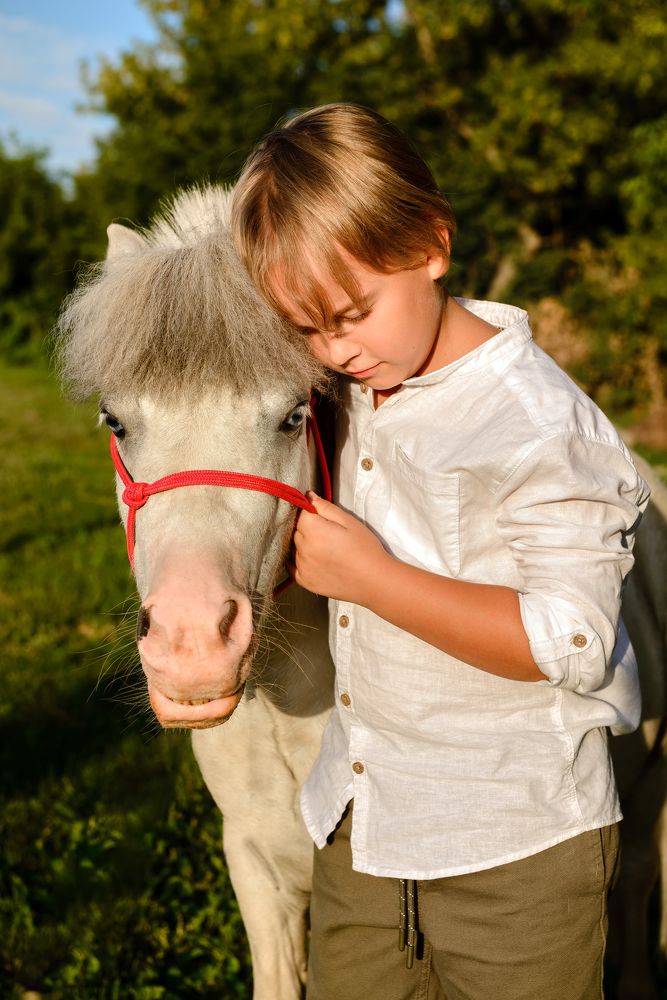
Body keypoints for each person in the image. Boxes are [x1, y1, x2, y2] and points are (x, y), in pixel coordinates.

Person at [231, 103, 650, 1000]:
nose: (334, 350)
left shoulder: (536, 424)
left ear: (431, 245)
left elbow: (569, 643)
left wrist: (374, 581)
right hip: (367, 826)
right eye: (304, 331)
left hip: (516, 853)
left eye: (349, 314)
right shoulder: (352, 390)